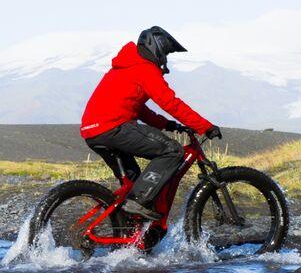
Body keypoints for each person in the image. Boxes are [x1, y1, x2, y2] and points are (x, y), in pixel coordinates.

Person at [78, 26, 219, 222]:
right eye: (166, 53)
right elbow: (170, 103)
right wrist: (205, 126)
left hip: (94, 131)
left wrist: (167, 125)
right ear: (157, 46)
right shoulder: (145, 68)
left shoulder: (127, 66)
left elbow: (138, 109)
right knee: (172, 151)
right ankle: (138, 202)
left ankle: (130, 231)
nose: (165, 58)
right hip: (113, 127)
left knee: (135, 182)